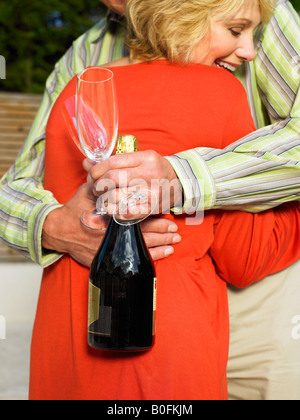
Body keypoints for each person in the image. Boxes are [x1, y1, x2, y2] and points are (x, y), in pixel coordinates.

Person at [0, 0, 299, 399]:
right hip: (172, 338)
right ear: (185, 17)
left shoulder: (78, 86)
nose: (248, 51)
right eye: (235, 31)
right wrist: (52, 225)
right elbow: (244, 257)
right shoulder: (218, 89)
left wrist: (187, 177)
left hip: (71, 331)